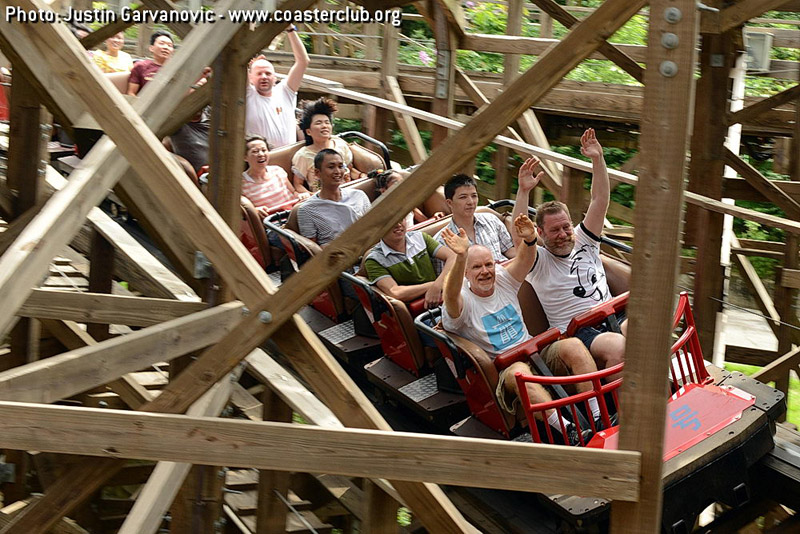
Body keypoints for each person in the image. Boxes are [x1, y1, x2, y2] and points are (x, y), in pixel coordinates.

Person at [440, 210, 602, 445]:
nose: (485, 271)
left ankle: (597, 416)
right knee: (520, 373)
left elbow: (524, 260)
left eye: (488, 265)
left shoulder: (503, 279)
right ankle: (569, 431)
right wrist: (461, 256)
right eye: (476, 268)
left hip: (535, 351)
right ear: (466, 274)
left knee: (573, 345)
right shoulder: (462, 300)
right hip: (507, 367)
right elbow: (451, 295)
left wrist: (529, 240)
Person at [513, 129, 626, 376]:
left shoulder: (584, 238)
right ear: (541, 233)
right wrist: (523, 191)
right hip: (580, 331)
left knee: (651, 330)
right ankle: (617, 411)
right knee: (622, 348)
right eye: (555, 230)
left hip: (613, 315)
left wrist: (598, 159)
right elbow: (518, 234)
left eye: (566, 227)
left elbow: (600, 199)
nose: (564, 234)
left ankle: (674, 389)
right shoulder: (538, 260)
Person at [365, 218, 456, 310]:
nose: (398, 224)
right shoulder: (374, 260)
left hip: (444, 300)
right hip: (419, 313)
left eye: (401, 218)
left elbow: (453, 257)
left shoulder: (420, 237)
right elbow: (395, 292)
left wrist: (438, 285)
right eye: (391, 221)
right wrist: (433, 286)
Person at [245, 24, 309, 150]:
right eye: (259, 74)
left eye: (268, 73)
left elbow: (303, 61)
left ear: (275, 78)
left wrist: (290, 29)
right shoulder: (248, 94)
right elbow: (239, 62)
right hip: (260, 158)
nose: (264, 77)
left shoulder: (285, 91)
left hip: (288, 156)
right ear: (251, 78)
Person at [434, 174, 515, 265]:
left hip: (507, 273)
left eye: (474, 196)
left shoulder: (491, 220)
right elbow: (446, 278)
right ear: (449, 203)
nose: (471, 202)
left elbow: (508, 250)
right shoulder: (441, 241)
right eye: (463, 197)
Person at [291, 98, 367, 194]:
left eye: (327, 122)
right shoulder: (303, 155)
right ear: (308, 131)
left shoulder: (340, 145)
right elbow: (298, 184)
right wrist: (311, 196)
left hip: (346, 192)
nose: (324, 126)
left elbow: (350, 170)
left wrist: (362, 176)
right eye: (319, 123)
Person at [296, 148, 370, 247]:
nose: (338, 171)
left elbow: (373, 226)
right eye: (331, 167)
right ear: (317, 173)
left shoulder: (359, 195)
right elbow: (311, 249)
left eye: (341, 166)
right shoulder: (307, 210)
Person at [240, 134, 308, 219]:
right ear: (245, 157)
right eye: (255, 151)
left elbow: (293, 192)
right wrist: (254, 210)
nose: (261, 154)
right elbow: (241, 213)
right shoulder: (241, 182)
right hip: (274, 223)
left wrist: (300, 195)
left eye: (264, 150)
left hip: (296, 214)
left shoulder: (277, 170)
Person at [370, 169, 439, 228]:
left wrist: (435, 218)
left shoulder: (407, 203)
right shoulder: (383, 212)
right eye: (396, 183)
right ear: (383, 191)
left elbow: (425, 222)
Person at [127, 30, 174, 95]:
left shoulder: (178, 68)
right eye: (161, 43)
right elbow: (131, 93)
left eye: (169, 45)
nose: (166, 47)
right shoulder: (140, 66)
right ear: (151, 48)